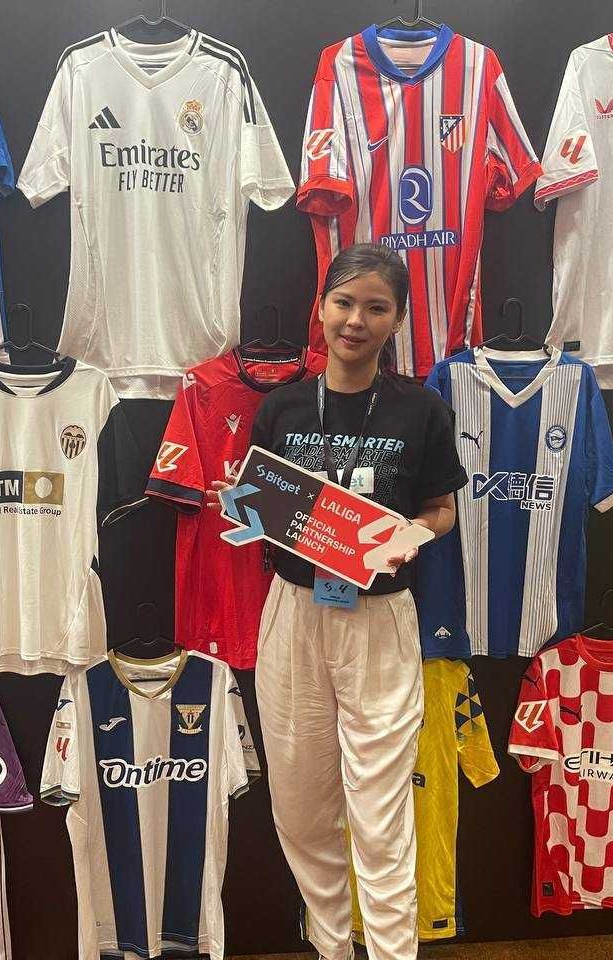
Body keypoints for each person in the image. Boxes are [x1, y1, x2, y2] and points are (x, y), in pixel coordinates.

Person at [215, 243, 465, 960]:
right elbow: (263, 505)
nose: (356, 320)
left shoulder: (421, 408)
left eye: (376, 308)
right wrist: (242, 505)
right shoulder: (283, 407)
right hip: (295, 611)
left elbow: (442, 509)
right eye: (344, 303)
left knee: (381, 813)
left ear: (398, 320)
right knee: (300, 808)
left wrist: (408, 537)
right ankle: (330, 946)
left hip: (379, 618)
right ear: (320, 308)